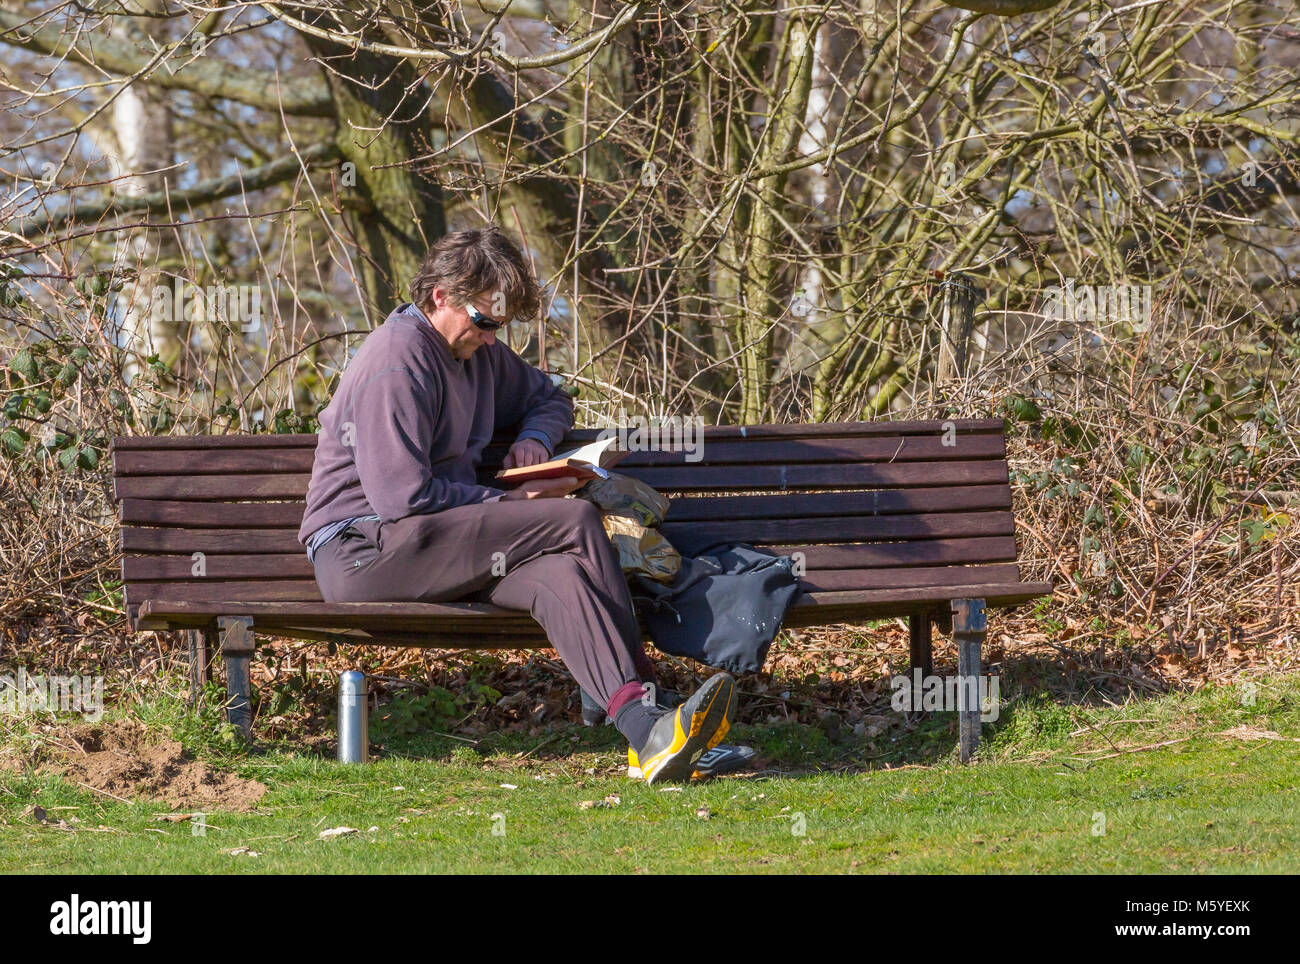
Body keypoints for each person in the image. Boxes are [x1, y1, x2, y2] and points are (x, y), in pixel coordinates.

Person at [298, 226, 735, 783]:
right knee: (573, 518)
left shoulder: (477, 353)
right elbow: (403, 499)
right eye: (483, 322)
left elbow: (551, 397)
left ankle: (644, 731)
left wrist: (536, 438)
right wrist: (513, 500)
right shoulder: (398, 361)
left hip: (437, 545)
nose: (490, 338)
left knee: (559, 576)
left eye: (499, 326)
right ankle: (646, 711)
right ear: (441, 296)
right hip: (365, 551)